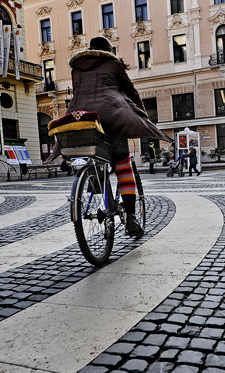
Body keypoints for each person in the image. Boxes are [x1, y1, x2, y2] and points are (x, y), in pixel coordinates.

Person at [64, 36, 170, 236]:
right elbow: (131, 92)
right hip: (111, 118)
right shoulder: (113, 63)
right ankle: (130, 217)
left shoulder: (76, 68)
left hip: (80, 119)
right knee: (123, 164)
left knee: (94, 155)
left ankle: (93, 179)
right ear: (109, 50)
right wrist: (141, 115)